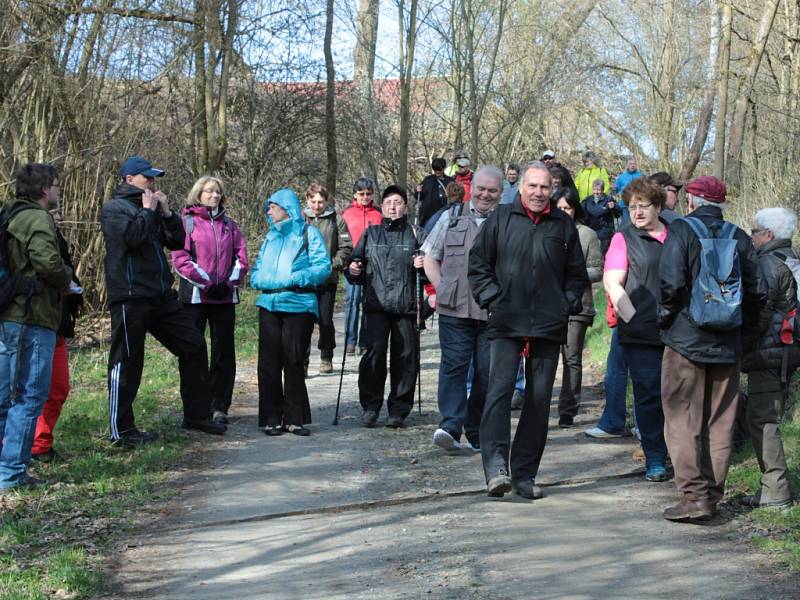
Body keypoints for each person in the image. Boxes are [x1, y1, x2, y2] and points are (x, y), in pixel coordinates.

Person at [468, 162, 588, 499]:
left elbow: (576, 275)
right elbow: (477, 266)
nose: (538, 193)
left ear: (552, 190)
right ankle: (496, 469)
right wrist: (494, 298)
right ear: (521, 188)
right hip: (507, 321)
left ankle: (524, 475)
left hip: (548, 325)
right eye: (532, 186)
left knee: (538, 401)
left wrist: (565, 302)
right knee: (499, 394)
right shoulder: (500, 219)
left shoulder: (563, 226)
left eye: (544, 188)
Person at [659, 175, 766, 521]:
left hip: (686, 343)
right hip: (728, 345)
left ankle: (693, 498)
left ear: (692, 200)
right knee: (720, 423)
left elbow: (671, 284)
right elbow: (758, 292)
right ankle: (713, 497)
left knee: (681, 419)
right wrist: (743, 335)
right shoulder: (740, 237)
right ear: (721, 205)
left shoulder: (681, 231)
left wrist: (666, 323)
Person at [101, 156, 226, 447]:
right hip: (130, 297)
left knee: (193, 345)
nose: (153, 182)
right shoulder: (114, 209)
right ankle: (122, 430)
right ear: (130, 179)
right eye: (147, 178)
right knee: (127, 361)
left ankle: (197, 415)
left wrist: (168, 214)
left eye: (154, 177)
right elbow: (131, 238)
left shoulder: (153, 208)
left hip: (160, 296)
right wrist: (148, 212)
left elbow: (177, 240)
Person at [0, 164, 72, 490]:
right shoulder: (38, 218)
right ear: (44, 190)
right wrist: (66, 280)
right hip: (33, 316)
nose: (58, 191)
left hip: (8, 315)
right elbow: (48, 263)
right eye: (56, 186)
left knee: (4, 397)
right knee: (30, 396)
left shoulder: (8, 213)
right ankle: (12, 474)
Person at [423, 166, 503, 452]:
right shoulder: (451, 216)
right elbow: (430, 256)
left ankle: (477, 427)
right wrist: (441, 287)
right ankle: (450, 426)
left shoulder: (506, 221)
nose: (485, 195)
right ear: (472, 187)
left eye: (492, 191)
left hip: (492, 311)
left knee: (487, 371)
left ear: (500, 193)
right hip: (453, 309)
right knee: (454, 367)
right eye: (481, 188)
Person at [601, 178, 670, 482]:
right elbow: (613, 282)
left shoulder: (678, 234)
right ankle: (655, 457)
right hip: (641, 333)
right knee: (649, 394)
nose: (638, 211)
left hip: (680, 330)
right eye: (632, 207)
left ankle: (683, 455)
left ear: (658, 206)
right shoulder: (623, 238)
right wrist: (630, 316)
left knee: (680, 396)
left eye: (644, 206)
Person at [250, 189, 331, 436]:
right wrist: (257, 279)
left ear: (287, 207)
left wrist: (297, 277)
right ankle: (272, 418)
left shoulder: (308, 233)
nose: (269, 211)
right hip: (269, 304)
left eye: (272, 206)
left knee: (293, 360)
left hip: (298, 303)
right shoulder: (270, 237)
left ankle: (294, 418)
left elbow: (323, 267)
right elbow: (257, 266)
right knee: (268, 363)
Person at [171, 176, 249, 424]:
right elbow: (180, 259)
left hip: (225, 298)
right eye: (209, 191)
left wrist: (227, 284)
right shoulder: (186, 223)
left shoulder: (230, 225)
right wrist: (206, 283)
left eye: (218, 192)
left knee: (223, 354)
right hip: (195, 298)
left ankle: (219, 405)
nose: (214, 196)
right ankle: (196, 407)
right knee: (194, 352)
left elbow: (242, 257)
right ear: (199, 194)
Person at [346, 185, 425, 429]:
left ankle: (398, 410)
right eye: (389, 201)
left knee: (405, 357)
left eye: (398, 202)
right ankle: (371, 407)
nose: (393, 206)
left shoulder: (416, 233)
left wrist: (423, 264)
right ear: (382, 206)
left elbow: (431, 272)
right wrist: (353, 269)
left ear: (405, 206)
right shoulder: (371, 234)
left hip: (406, 307)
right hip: (376, 306)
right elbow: (354, 266)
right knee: (373, 355)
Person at [740, 208, 798, 509]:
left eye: (754, 232)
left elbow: (758, 317)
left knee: (763, 420)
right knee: (769, 417)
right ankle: (775, 488)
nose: (751, 237)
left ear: (768, 235)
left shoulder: (767, 265)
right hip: (788, 353)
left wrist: (739, 348)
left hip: (769, 353)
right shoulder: (792, 259)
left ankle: (776, 492)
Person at [31, 212, 83, 462]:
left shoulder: (55, 236)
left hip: (58, 323)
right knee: (32, 390)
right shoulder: (22, 231)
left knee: (58, 388)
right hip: (33, 322)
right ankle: (28, 447)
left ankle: (40, 444)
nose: (59, 212)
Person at [554, 187, 602, 429]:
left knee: (571, 357)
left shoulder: (587, 235)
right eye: (560, 207)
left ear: (575, 209)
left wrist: (573, 273)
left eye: (568, 207)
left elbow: (597, 270)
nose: (564, 212)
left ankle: (568, 409)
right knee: (546, 358)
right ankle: (540, 405)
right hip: (548, 305)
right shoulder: (547, 230)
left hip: (578, 305)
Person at [303, 183, 352, 374]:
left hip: (328, 278)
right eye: (313, 201)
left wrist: (334, 263)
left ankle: (326, 356)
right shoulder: (300, 219)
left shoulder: (336, 220)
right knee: (304, 321)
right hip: (305, 279)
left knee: (325, 320)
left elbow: (346, 246)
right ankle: (303, 360)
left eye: (321, 202)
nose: (317, 206)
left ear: (326, 202)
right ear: (307, 200)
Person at [341, 178, 382, 355]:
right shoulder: (346, 214)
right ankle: (350, 341)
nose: (365, 197)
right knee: (352, 301)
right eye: (362, 194)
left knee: (369, 303)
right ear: (355, 195)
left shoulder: (378, 213)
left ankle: (364, 341)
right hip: (352, 263)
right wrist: (348, 261)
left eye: (368, 193)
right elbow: (342, 240)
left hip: (373, 264)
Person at [582, 179, 620, 253]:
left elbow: (618, 214)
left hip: (605, 232)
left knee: (603, 252)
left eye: (599, 190)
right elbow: (580, 210)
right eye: (594, 190)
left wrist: (614, 207)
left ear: (602, 190)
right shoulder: (588, 200)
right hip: (591, 230)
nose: (596, 192)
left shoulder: (608, 199)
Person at [416, 158, 454, 227]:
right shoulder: (428, 180)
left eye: (439, 170)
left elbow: (455, 197)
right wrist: (417, 190)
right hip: (427, 216)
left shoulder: (450, 181)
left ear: (443, 168)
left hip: (445, 215)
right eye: (435, 170)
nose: (437, 172)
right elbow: (419, 196)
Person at [613, 157, 644, 223]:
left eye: (634, 164)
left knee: (638, 224)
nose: (632, 165)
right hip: (625, 206)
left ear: (636, 165)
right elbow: (615, 191)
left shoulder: (641, 176)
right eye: (630, 164)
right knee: (626, 225)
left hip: (638, 205)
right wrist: (614, 188)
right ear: (627, 165)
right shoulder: (621, 177)